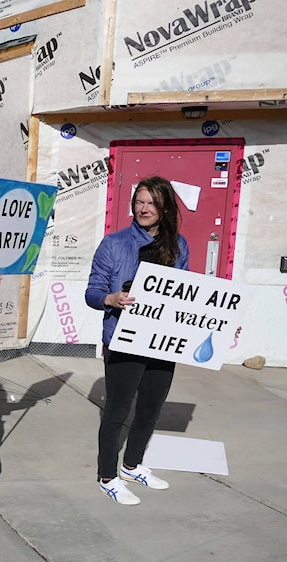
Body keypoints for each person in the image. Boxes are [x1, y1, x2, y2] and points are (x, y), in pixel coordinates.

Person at [85, 176, 189, 505]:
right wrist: (110, 299)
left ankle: (132, 466)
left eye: (152, 203)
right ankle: (107, 477)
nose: (144, 209)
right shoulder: (113, 244)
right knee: (116, 412)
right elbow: (92, 292)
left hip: (161, 341)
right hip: (123, 339)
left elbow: (185, 293)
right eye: (139, 202)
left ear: (165, 209)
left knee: (149, 410)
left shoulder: (179, 245)